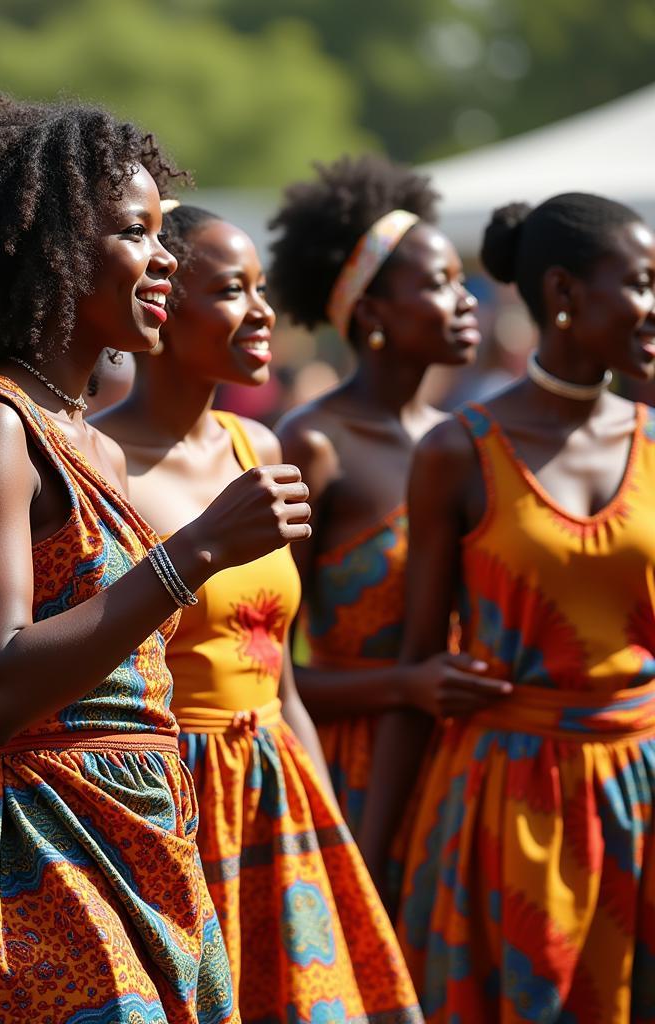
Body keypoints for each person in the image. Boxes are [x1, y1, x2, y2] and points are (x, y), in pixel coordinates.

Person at [0, 97, 311, 1024]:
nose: (165, 257)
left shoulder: (83, 438)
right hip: (32, 858)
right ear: (45, 251)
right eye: (135, 232)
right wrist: (200, 549)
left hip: (137, 835)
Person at [94, 202, 423, 1023]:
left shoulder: (261, 450)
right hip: (168, 802)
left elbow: (280, 671)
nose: (263, 312)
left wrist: (321, 815)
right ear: (161, 302)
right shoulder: (99, 463)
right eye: (233, 290)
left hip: (276, 788)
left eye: (262, 288)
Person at [365, 193, 655, 1021]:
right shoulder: (458, 452)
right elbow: (419, 666)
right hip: (506, 809)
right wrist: (377, 857)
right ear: (563, 294)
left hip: (642, 794)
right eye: (640, 282)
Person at [269, 156, 504, 900]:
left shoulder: (465, 441)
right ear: (371, 314)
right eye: (438, 284)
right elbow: (266, 666)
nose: (466, 302)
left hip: (466, 766)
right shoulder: (315, 443)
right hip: (348, 777)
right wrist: (408, 685)